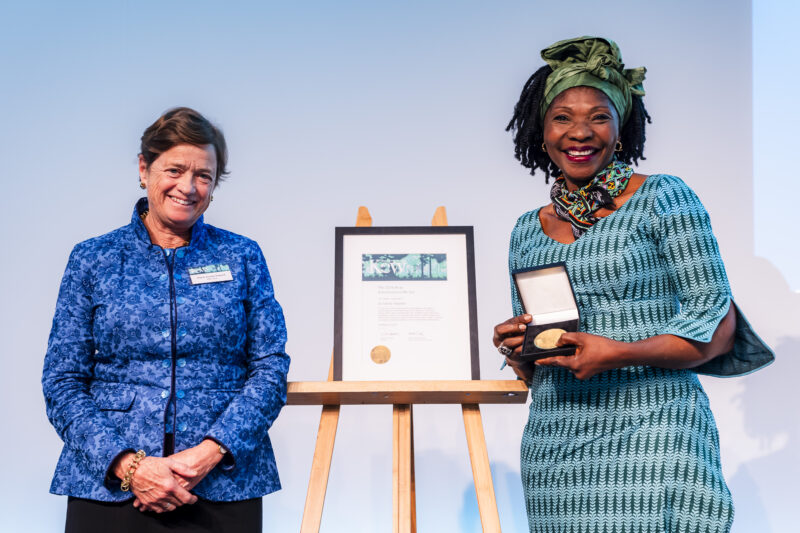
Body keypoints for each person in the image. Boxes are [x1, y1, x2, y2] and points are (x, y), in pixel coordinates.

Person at [494, 37, 773, 533]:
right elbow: (539, 366)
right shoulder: (525, 230)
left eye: (598, 116)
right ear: (542, 130)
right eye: (562, 117)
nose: (580, 132)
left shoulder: (663, 197)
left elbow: (719, 327)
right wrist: (518, 347)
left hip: (656, 429)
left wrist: (616, 351)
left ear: (621, 128)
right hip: (556, 441)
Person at [42, 107, 290, 533]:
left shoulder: (243, 256)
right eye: (175, 169)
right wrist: (129, 466)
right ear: (144, 168)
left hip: (221, 484)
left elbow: (270, 368)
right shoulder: (93, 259)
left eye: (204, 176)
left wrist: (211, 451)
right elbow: (62, 381)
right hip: (110, 487)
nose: (189, 187)